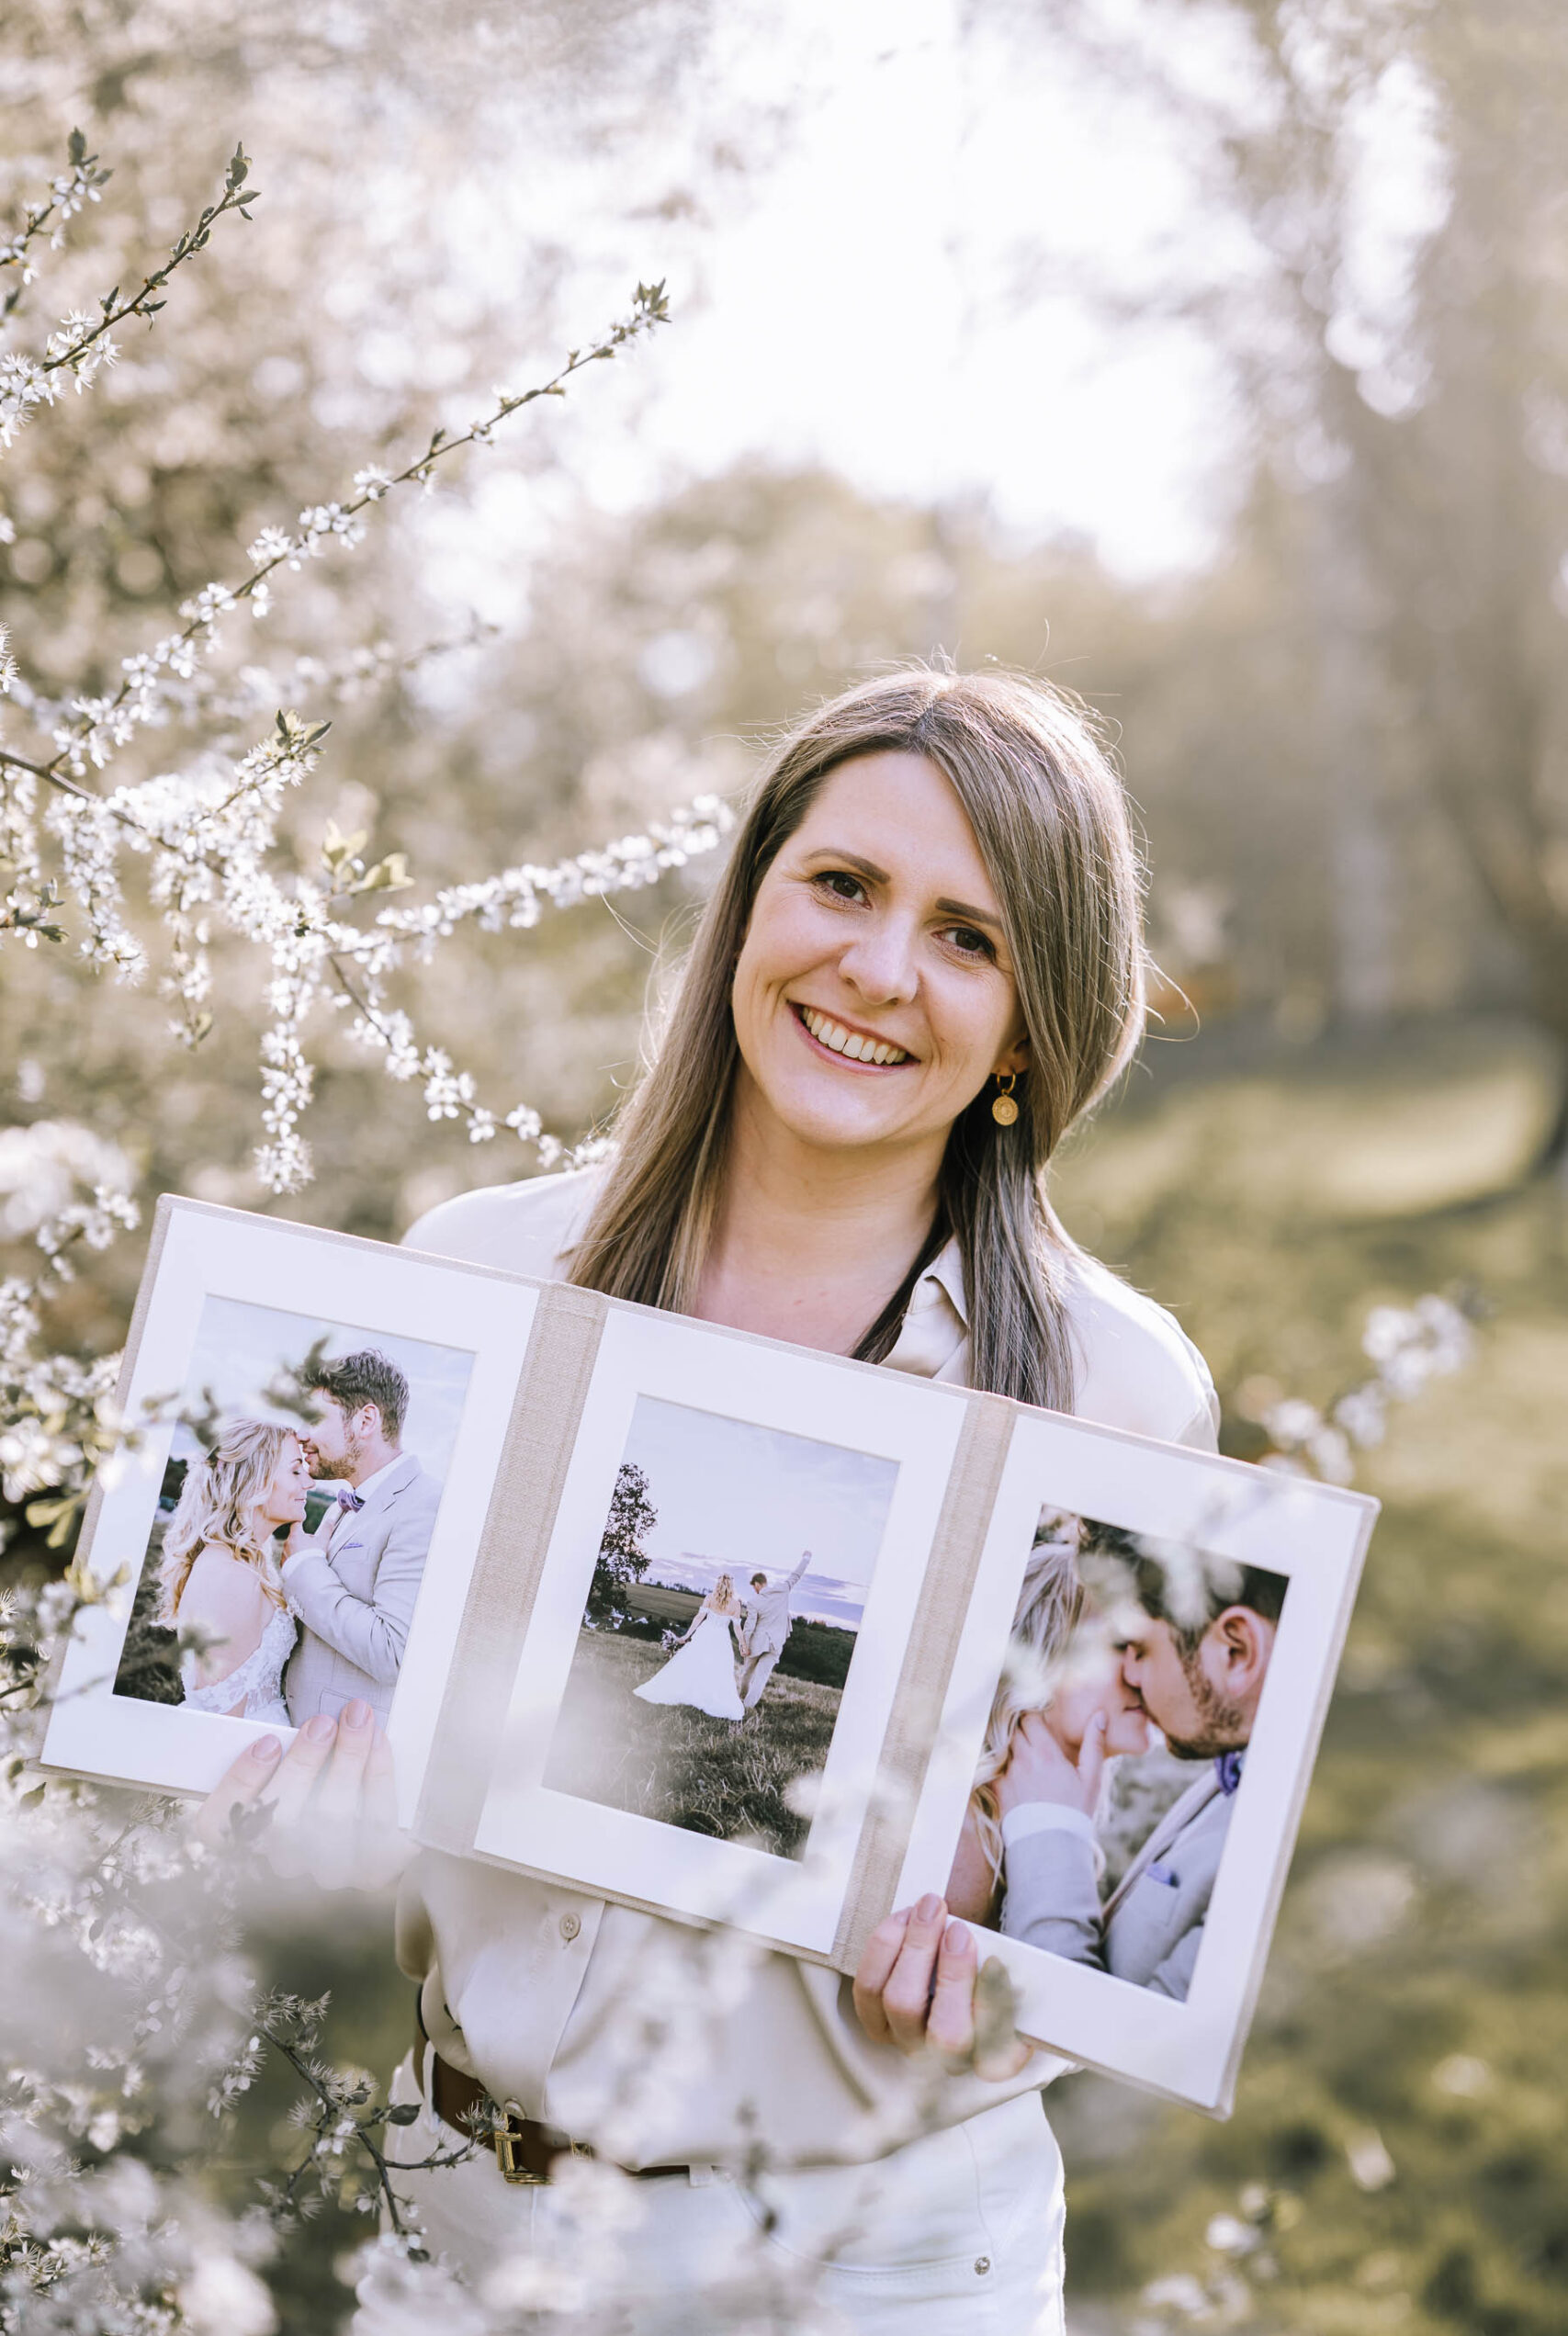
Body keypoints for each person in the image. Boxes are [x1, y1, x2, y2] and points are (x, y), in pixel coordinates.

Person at [203, 668, 1220, 2334]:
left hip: (871, 2271)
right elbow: (349, 1738)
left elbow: (1089, 1883)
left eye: (968, 936)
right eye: (843, 885)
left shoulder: (1113, 1386)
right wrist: (300, 1812)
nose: (879, 970)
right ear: (748, 898)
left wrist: (991, 1990)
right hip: (458, 2229)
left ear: (1036, 1022)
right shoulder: (476, 1274)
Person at [993, 1529, 1283, 2002]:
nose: (1132, 1672)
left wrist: (1049, 1833)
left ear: (1236, 1652)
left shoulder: (1271, 1848)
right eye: (1118, 1645)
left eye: (1141, 1647)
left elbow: (1100, 2037)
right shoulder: (1229, 1777)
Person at [942, 1521, 1153, 1930]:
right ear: (1045, 1655)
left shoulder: (1013, 1822)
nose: (1143, 1672)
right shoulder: (963, 1848)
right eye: (1124, 1644)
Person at [282, 1347, 444, 1727]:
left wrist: (305, 1568)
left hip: (346, 1749)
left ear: (365, 1420)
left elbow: (392, 1652)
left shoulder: (424, 1504)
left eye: (312, 1418)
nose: (302, 1434)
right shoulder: (348, 1502)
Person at [158, 1420, 306, 1724]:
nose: (309, 1482)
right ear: (257, 1481)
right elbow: (225, 1725)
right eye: (295, 1470)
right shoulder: (231, 1576)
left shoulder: (245, 1563)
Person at [632, 1574, 746, 1720]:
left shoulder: (710, 1597)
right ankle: (706, 1694)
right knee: (717, 1669)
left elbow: (699, 1617)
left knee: (694, 1663)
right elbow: (737, 1628)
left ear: (718, 1584)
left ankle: (694, 1692)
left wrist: (686, 1636)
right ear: (731, 1586)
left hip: (705, 1634)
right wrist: (742, 1644)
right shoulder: (736, 1604)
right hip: (721, 1639)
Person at [735, 1550, 810, 1711]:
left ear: (757, 1584)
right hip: (776, 1643)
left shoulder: (754, 1602)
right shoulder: (783, 1589)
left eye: (754, 1587)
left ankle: (740, 1699)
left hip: (756, 1644)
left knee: (747, 1673)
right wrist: (806, 1558)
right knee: (761, 1678)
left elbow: (749, 1627)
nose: (754, 1590)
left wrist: (744, 1645)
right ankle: (747, 1708)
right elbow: (797, 1574)